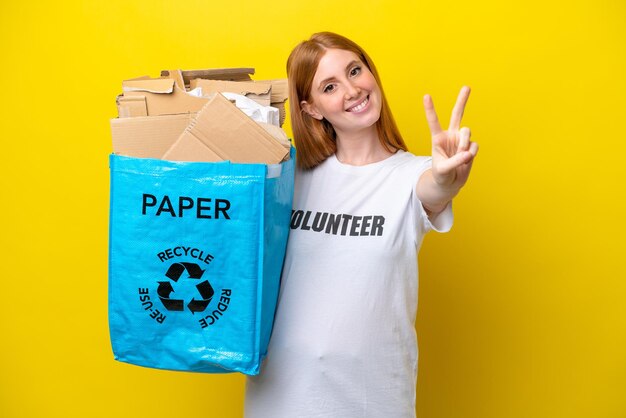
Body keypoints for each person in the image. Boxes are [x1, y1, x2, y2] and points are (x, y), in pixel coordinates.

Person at [244, 32, 478, 418]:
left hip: (372, 397)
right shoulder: (288, 175)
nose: (353, 90)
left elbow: (433, 189)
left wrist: (446, 178)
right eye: (330, 86)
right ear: (312, 108)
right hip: (282, 394)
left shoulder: (412, 175)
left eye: (355, 70)